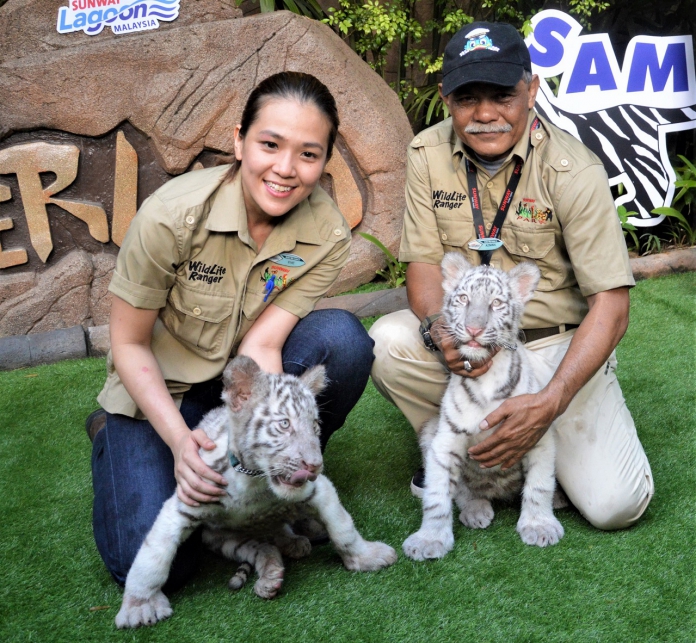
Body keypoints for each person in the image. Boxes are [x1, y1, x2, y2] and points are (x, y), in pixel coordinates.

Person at [88, 72, 374, 589]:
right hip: (162, 393)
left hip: (239, 387)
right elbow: (127, 344)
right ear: (240, 140)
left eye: (308, 154)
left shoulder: (327, 232)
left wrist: (278, 440)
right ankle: (113, 434)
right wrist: (180, 444)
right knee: (148, 563)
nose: (285, 170)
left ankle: (280, 475)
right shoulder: (171, 215)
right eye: (270, 145)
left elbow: (262, 345)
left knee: (344, 341)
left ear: (324, 161)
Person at [369, 22, 653, 531]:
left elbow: (612, 306)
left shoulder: (574, 171)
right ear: (445, 97)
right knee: (388, 342)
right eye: (466, 97)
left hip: (553, 349)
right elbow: (423, 267)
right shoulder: (426, 154)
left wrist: (551, 400)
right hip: (470, 337)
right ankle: (462, 459)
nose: (483, 114)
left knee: (616, 506)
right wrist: (439, 329)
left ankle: (545, 440)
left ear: (532, 89)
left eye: (502, 95)